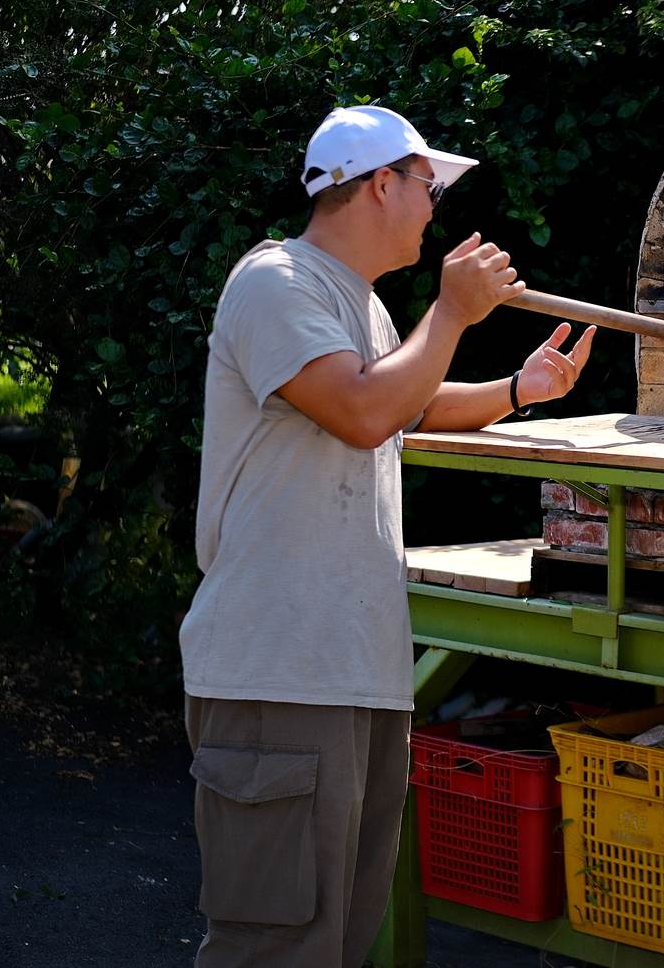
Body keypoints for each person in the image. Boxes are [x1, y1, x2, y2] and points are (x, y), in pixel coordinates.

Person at [179, 104, 595, 967]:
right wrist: (450, 312)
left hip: (350, 674)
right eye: (428, 187)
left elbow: (412, 401)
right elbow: (366, 410)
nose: (434, 208)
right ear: (378, 185)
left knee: (338, 941)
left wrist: (519, 388)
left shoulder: (358, 306)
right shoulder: (274, 283)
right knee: (275, 948)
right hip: (279, 673)